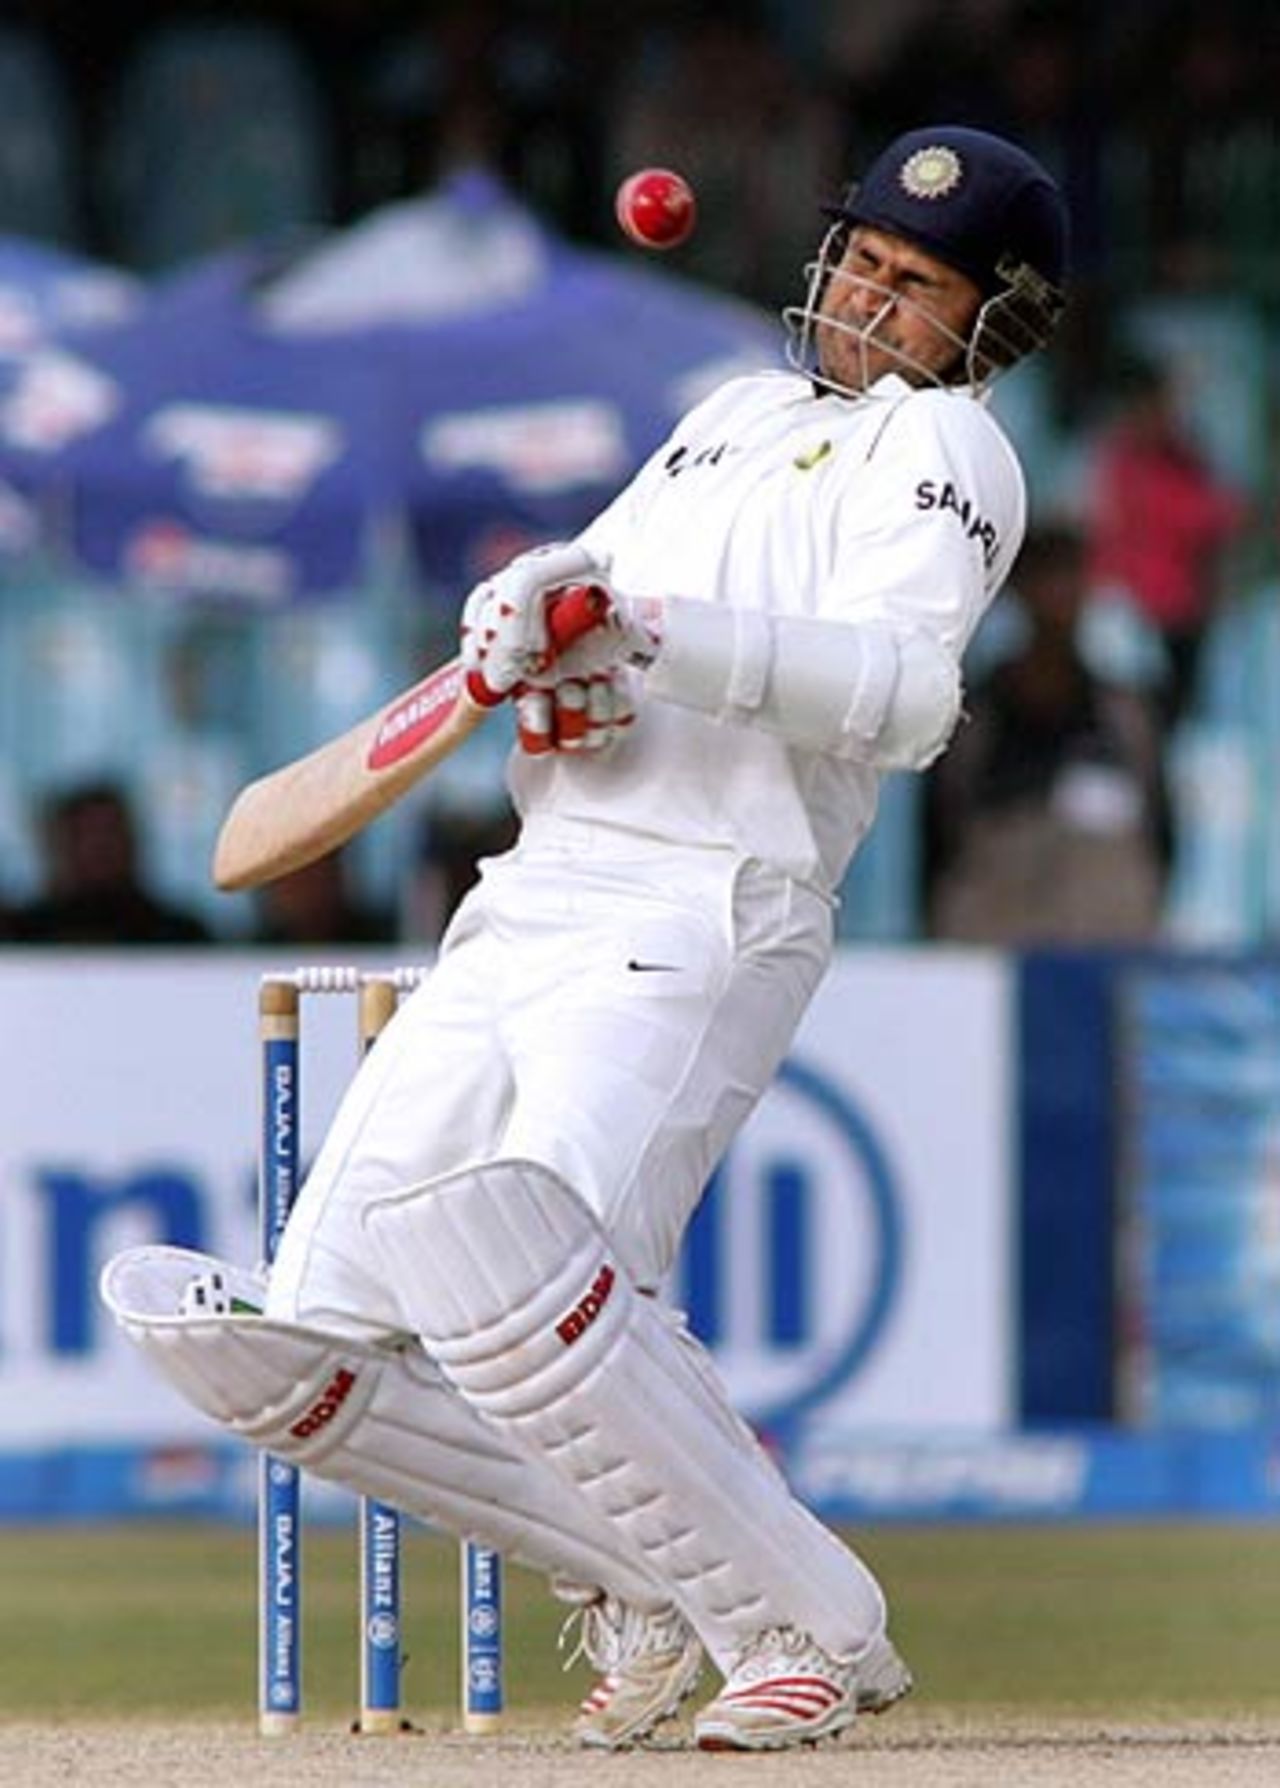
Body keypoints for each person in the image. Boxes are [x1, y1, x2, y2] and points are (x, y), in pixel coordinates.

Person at [104, 126, 1068, 1751]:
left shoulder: (947, 453)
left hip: (703, 904)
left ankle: (805, 1622)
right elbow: (590, 607)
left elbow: (904, 697)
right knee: (286, 1348)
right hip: (531, 894)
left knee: (519, 1272)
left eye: (915, 286)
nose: (869, 300)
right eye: (862, 263)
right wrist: (533, 626)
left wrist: (651, 632)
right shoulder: (733, 416)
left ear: (989, 323)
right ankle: (662, 1571)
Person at [925, 523, 1173, 942]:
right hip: (991, 948)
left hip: (1105, 945)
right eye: (1046, 577)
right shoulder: (971, 714)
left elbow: (1162, 838)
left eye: (1070, 576)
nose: (1059, 594)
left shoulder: (1126, 717)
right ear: (1017, 590)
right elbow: (938, 843)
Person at [1084, 353, 1251, 729]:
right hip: (1131, 617)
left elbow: (1227, 521)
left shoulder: (1189, 463)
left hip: (1183, 620)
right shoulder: (1113, 463)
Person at [12, 780, 212, 946]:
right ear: (56, 846)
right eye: (85, 837)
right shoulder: (19, 938)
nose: (100, 850)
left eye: (110, 835)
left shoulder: (181, 937)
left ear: (134, 842)